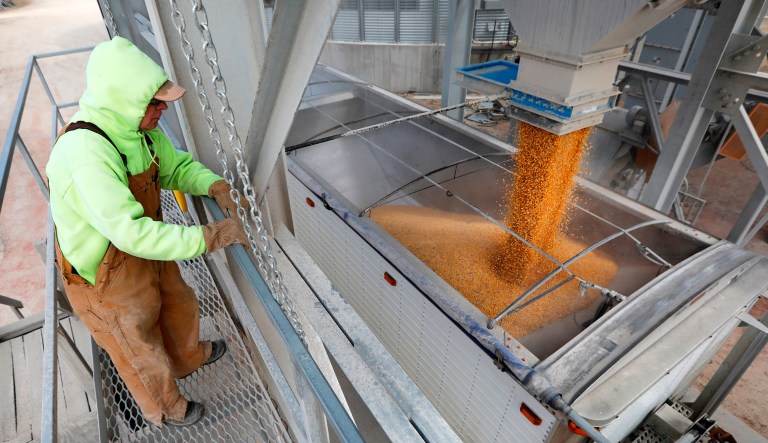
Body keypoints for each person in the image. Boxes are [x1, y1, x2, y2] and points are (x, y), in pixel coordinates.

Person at [46, 36, 248, 427]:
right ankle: (167, 408)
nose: (162, 111)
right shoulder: (87, 154)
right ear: (125, 100)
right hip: (104, 273)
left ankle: (188, 358)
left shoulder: (141, 132)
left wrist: (213, 185)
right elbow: (129, 233)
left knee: (177, 302)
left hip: (142, 246)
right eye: (154, 103)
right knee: (137, 343)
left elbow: (175, 168)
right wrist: (209, 237)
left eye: (162, 102)